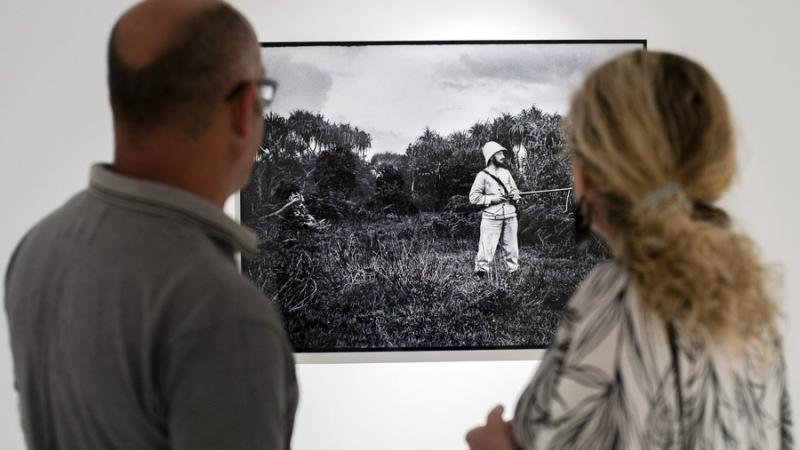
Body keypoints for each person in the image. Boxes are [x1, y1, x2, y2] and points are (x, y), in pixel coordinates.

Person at [4, 1, 298, 449]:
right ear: (243, 109)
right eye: (263, 96)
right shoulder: (221, 312)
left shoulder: (38, 248)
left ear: (117, 101)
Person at [466, 50, 792, 449]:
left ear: (590, 172)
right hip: (493, 214)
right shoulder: (750, 291)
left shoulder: (619, 293)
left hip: (509, 217)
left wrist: (489, 441)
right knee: (489, 247)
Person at [469, 141, 522, 278]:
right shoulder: (482, 175)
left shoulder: (506, 173)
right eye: (499, 153)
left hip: (510, 215)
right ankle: (481, 275)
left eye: (503, 153)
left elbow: (515, 189)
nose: (503, 156)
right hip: (491, 217)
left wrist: (516, 195)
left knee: (512, 248)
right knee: (486, 248)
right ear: (491, 157)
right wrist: (492, 199)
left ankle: (513, 272)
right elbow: (473, 197)